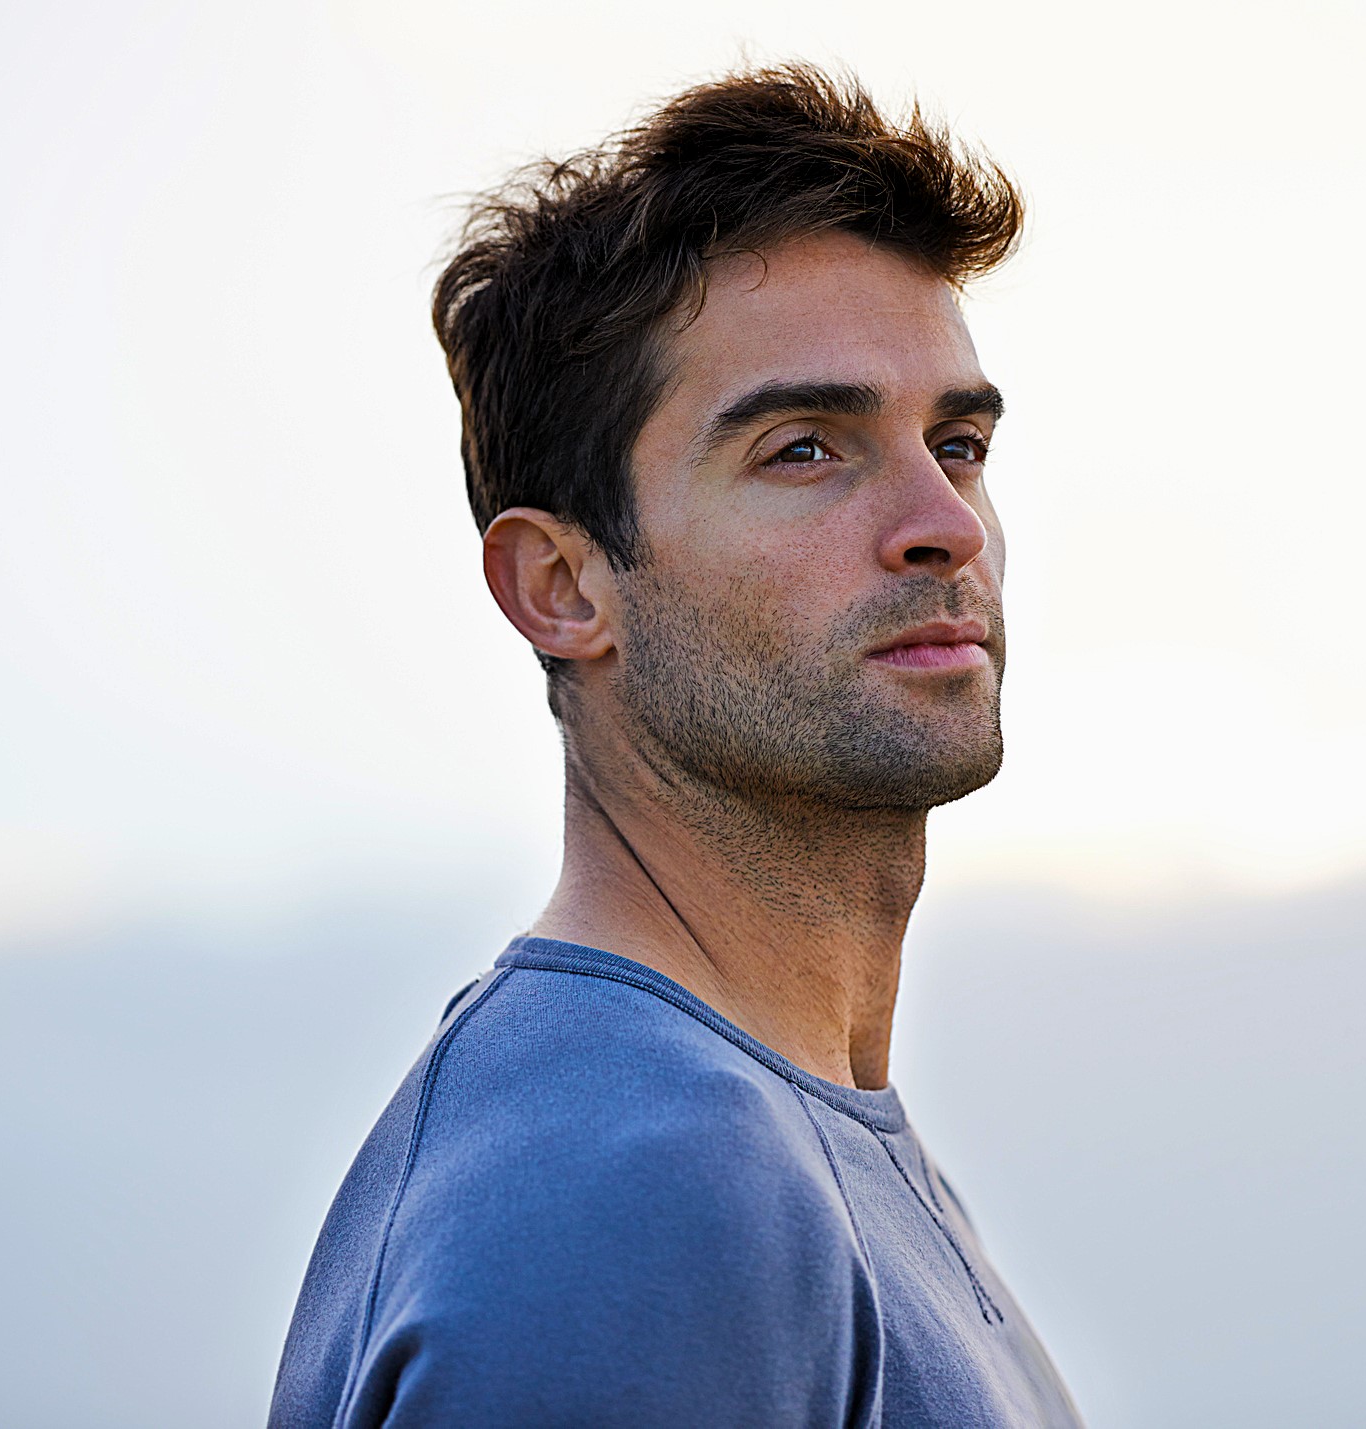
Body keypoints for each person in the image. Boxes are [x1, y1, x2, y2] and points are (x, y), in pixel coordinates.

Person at [268, 63, 1082, 1428]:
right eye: (806, 447)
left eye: (959, 441)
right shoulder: (635, 1180)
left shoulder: (761, 1129)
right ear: (563, 588)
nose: (939, 519)